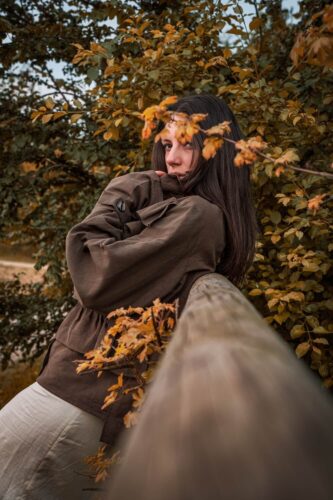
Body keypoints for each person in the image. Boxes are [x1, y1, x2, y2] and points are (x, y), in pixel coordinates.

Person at [0, 94, 257, 498]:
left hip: (75, 400)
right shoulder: (182, 207)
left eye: (187, 144)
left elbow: (92, 274)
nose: (171, 158)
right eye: (167, 144)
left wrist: (126, 189)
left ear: (215, 153)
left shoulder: (199, 216)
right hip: (81, 396)